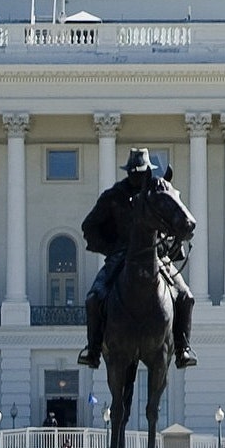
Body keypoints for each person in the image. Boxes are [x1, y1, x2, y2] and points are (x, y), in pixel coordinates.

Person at [77, 149, 197, 371]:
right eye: (134, 172)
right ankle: (93, 349)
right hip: (121, 258)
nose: (138, 177)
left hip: (158, 257)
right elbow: (89, 227)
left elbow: (174, 222)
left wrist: (173, 243)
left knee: (186, 297)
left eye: (142, 172)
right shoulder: (114, 196)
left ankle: (182, 348)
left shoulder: (159, 192)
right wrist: (112, 249)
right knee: (94, 298)